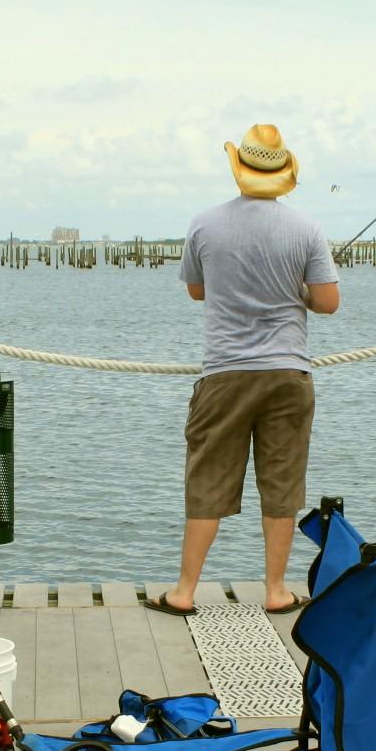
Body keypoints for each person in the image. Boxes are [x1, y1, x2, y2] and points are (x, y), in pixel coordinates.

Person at [150, 123, 340, 618]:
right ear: (282, 173)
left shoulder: (205, 224)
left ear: (239, 169)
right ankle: (277, 590)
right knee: (281, 483)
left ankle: (185, 591)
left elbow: (196, 289)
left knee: (208, 479)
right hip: (288, 372)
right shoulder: (307, 228)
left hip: (226, 373)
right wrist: (292, 291)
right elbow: (327, 302)